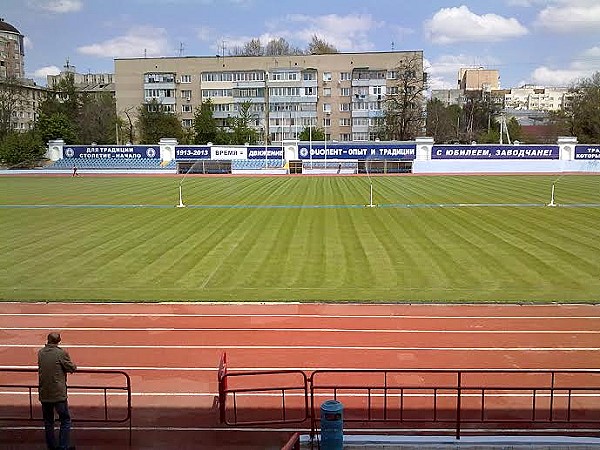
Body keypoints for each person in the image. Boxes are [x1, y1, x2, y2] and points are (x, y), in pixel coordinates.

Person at [38, 332, 77, 450]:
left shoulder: (40, 353)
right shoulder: (61, 353)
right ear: (59, 341)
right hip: (58, 393)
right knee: (65, 420)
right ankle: (63, 446)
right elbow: (71, 367)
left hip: (44, 392)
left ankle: (51, 446)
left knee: (48, 421)